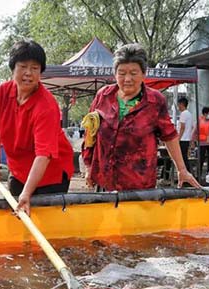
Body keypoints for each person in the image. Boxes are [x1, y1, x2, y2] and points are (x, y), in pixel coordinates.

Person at [82, 43, 199, 191]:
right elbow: (90, 133)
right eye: (122, 73)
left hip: (138, 186)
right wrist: (88, 166)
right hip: (105, 181)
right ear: (115, 74)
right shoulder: (103, 96)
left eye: (134, 73)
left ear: (144, 74)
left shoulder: (155, 101)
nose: (128, 78)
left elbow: (169, 136)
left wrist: (182, 170)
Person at [0, 39, 74, 215]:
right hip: (18, 170)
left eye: (35, 68)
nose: (28, 73)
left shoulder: (46, 105)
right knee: (17, 218)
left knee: (45, 220)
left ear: (41, 72)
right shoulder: (3, 92)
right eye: (23, 66)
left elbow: (43, 155)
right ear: (13, 68)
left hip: (50, 174)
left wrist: (26, 193)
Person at [190, 107, 209, 179]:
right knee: (201, 159)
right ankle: (198, 174)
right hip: (202, 143)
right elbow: (194, 132)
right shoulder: (199, 121)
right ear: (205, 113)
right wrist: (192, 142)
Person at [177, 96, 193, 171]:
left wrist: (178, 138)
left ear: (182, 104)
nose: (178, 107)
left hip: (183, 139)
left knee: (182, 158)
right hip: (187, 138)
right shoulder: (189, 114)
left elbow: (182, 127)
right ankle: (187, 172)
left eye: (178, 105)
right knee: (184, 157)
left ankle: (187, 173)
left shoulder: (183, 114)